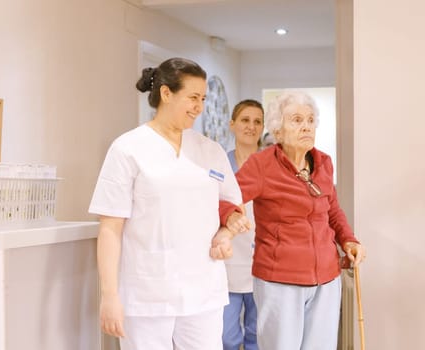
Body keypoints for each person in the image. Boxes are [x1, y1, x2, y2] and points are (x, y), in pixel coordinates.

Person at [88, 57, 251, 350]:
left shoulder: (210, 151)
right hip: (147, 291)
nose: (199, 107)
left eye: (202, 98)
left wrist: (225, 235)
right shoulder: (128, 148)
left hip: (204, 289)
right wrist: (109, 295)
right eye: (192, 97)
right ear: (166, 93)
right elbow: (110, 228)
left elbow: (231, 208)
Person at [220, 91, 366, 350]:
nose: (306, 126)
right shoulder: (262, 165)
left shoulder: (323, 163)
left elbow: (332, 209)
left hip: (326, 279)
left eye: (310, 120)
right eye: (297, 120)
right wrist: (230, 215)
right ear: (278, 130)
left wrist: (349, 239)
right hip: (280, 280)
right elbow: (226, 197)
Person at [222, 99, 264, 350]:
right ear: (232, 125)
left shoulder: (271, 164)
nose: (251, 126)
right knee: (226, 336)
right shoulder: (220, 164)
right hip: (227, 259)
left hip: (262, 259)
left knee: (257, 334)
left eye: (257, 121)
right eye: (245, 120)